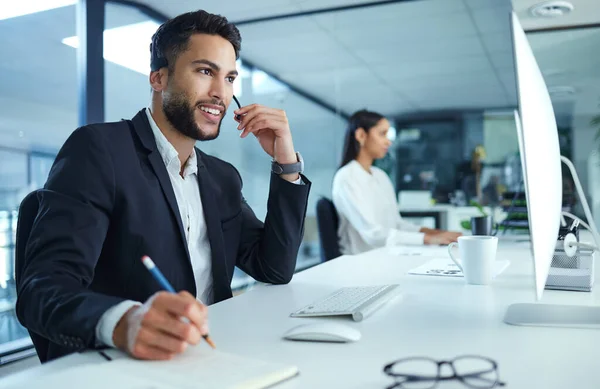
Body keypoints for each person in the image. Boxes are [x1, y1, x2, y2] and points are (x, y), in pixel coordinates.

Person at [16, 10, 310, 363]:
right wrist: (124, 322)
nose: (220, 92)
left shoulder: (221, 178)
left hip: (215, 354)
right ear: (158, 78)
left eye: (230, 78)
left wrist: (287, 164)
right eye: (205, 71)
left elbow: (273, 268)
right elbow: (42, 290)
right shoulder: (100, 151)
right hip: (131, 363)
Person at [332, 110, 460, 255]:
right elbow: (373, 235)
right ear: (361, 135)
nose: (388, 141)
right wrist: (428, 239)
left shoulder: (380, 176)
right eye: (382, 134)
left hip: (388, 254)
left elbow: (397, 224)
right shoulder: (346, 177)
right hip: (362, 261)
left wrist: (438, 233)